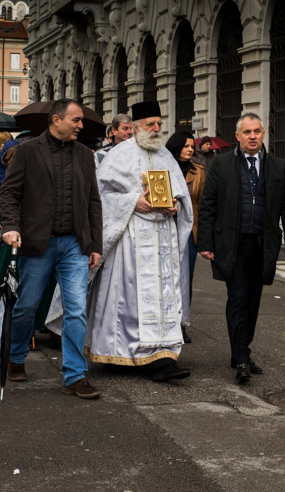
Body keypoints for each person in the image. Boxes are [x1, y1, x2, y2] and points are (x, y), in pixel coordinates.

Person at [0, 98, 103, 399]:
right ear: (56, 120)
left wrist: (94, 243)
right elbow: (9, 194)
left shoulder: (85, 155)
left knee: (77, 309)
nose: (81, 126)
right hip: (37, 242)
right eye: (76, 120)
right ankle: (16, 356)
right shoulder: (27, 152)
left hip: (74, 243)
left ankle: (74, 375)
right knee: (27, 306)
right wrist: (11, 226)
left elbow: (94, 202)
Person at [84, 101, 193, 381]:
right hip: (129, 239)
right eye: (150, 124)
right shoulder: (118, 155)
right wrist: (133, 202)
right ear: (134, 127)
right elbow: (99, 197)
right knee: (127, 298)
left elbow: (181, 196)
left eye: (159, 123)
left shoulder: (166, 156)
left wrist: (175, 208)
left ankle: (163, 355)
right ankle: (120, 353)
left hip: (162, 241)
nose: (156, 129)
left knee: (161, 296)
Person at [198, 112, 285, 381]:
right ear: (238, 136)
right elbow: (208, 206)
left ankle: (241, 350)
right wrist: (206, 242)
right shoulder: (221, 164)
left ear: (263, 134)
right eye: (247, 132)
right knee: (238, 297)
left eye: (257, 131)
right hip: (232, 244)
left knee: (253, 300)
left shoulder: (278, 166)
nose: (252, 136)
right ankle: (242, 358)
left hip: (263, 244)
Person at [164, 130, 205, 344]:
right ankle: (165, 321)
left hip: (188, 233)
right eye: (186, 146)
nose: (190, 149)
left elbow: (204, 206)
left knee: (184, 277)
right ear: (176, 146)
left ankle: (181, 323)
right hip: (163, 228)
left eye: (192, 147)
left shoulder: (199, 172)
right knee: (163, 276)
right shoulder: (162, 168)